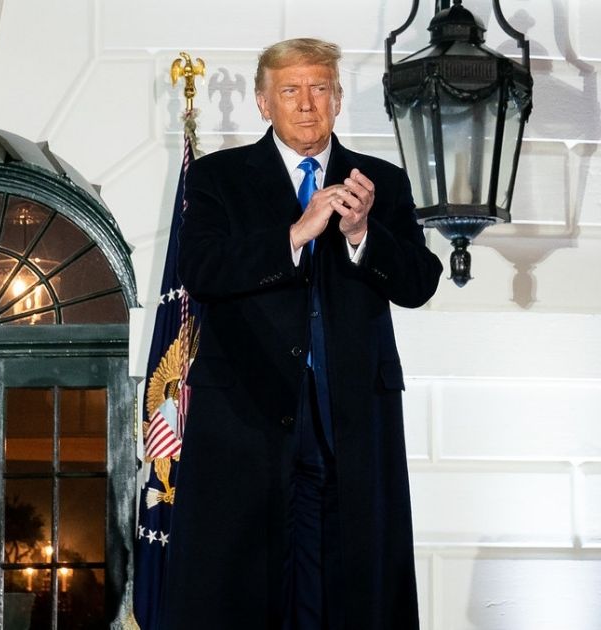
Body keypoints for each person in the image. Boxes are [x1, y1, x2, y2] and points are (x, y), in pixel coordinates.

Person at [164, 38, 442, 629]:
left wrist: (362, 233)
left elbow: (420, 283)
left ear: (338, 99)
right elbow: (201, 272)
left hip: (350, 423)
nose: (307, 103)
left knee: (347, 593)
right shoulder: (219, 178)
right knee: (242, 589)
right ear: (264, 104)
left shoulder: (381, 183)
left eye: (320, 88)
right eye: (290, 90)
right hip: (247, 419)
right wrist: (296, 232)